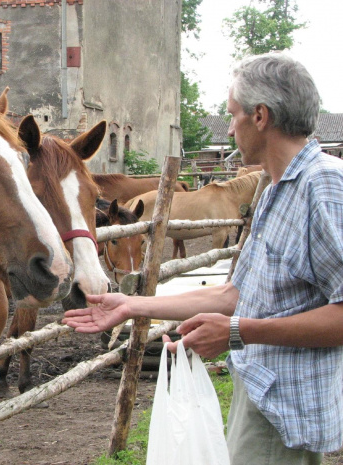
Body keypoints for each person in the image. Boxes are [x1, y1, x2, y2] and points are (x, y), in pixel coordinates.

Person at [62, 52, 343, 465]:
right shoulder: (278, 189)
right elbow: (234, 294)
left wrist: (236, 333)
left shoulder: (324, 188)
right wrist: (132, 305)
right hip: (263, 390)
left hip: (287, 406)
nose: (228, 129)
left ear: (260, 116)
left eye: (233, 115)